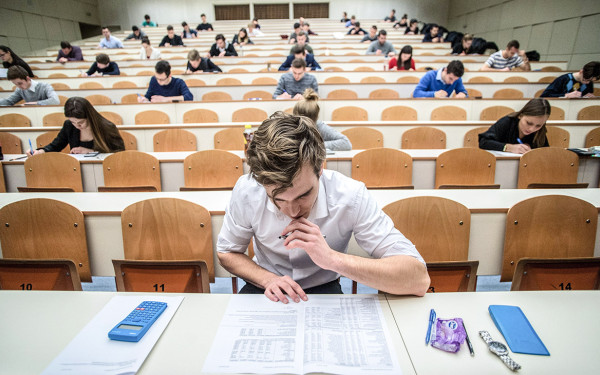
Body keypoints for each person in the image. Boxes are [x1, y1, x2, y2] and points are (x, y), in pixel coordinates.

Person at [216, 111, 429, 302]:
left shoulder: (351, 195)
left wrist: (332, 259)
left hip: (324, 285)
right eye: (277, 199)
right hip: (263, 284)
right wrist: (267, 279)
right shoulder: (247, 191)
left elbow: (418, 279)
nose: (292, 212)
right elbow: (227, 252)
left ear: (320, 168)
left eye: (303, 195)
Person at [27, 97, 125, 155]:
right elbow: (56, 146)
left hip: (104, 168)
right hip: (76, 169)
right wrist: (41, 151)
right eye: (73, 122)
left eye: (81, 122)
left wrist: (91, 151)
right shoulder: (69, 125)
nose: (77, 126)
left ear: (90, 117)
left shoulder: (107, 127)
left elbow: (119, 153)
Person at [479, 98, 550, 154]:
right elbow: (483, 142)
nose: (531, 129)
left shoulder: (540, 130)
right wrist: (509, 147)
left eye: (538, 126)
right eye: (528, 123)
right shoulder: (507, 122)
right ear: (521, 115)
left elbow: (545, 152)